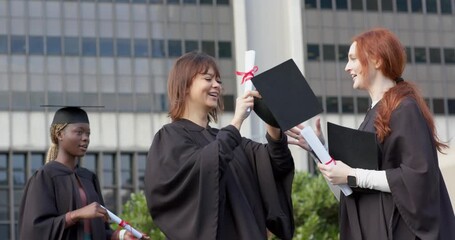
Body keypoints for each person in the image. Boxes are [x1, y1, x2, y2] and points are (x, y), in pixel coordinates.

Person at [286, 28, 455, 239]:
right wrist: (319, 150)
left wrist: (353, 175)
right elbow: (347, 191)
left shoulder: (404, 108)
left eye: (353, 59)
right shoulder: (374, 115)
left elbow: (418, 179)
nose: (347, 67)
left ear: (376, 60)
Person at [144, 51, 295, 240]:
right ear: (184, 86)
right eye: (208, 79)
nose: (216, 85)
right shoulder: (169, 137)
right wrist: (236, 122)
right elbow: (203, 169)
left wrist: (271, 120)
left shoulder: (229, 140)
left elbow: (276, 165)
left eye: (219, 81)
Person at [19, 107, 139, 240]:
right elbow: (35, 230)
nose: (85, 138)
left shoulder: (88, 177)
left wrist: (121, 235)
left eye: (88, 134)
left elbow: (100, 230)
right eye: (79, 132)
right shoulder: (44, 177)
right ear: (59, 134)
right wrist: (77, 214)